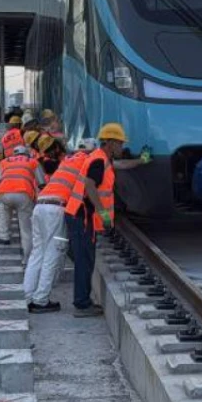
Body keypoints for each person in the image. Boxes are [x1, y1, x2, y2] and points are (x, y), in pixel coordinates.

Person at [64, 123, 124, 318]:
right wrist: (105, 215)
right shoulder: (99, 161)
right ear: (111, 143)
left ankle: (84, 301)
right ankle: (82, 304)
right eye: (120, 143)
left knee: (85, 259)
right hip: (82, 217)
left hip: (80, 215)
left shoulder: (102, 159)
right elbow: (90, 186)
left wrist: (142, 160)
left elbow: (122, 165)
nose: (122, 147)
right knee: (84, 261)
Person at [24, 138, 85, 313]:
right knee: (53, 254)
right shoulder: (86, 162)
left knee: (37, 253)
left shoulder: (67, 163)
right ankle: (41, 300)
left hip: (40, 206)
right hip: (55, 210)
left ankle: (27, 296)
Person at [0, 145, 46, 256]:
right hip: (23, 193)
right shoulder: (32, 161)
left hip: (4, 193)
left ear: (14, 154)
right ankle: (27, 251)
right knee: (25, 225)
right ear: (26, 153)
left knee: (4, 208)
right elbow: (41, 182)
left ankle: (4, 236)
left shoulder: (4, 161)